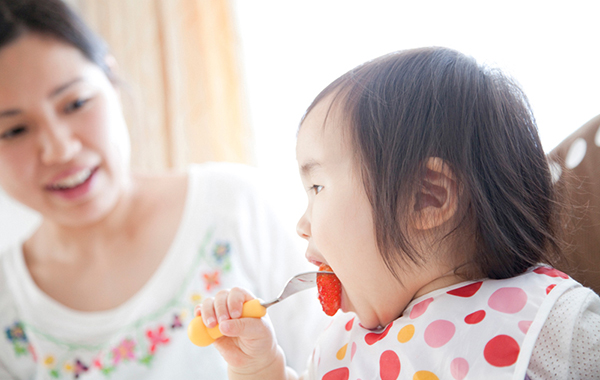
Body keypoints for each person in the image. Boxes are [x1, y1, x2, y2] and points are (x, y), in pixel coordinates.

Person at [198, 47, 600, 379]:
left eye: (318, 188)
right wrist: (260, 368)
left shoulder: (552, 323)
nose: (303, 225)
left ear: (427, 198)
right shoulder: (340, 348)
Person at [0, 0, 326, 378]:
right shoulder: (7, 307)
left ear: (110, 77)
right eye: (14, 130)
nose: (60, 149)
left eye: (75, 103)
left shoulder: (236, 206)